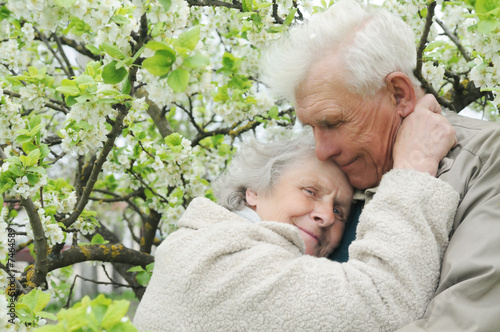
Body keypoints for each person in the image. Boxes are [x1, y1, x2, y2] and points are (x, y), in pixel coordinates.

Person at [260, 0, 500, 330]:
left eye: (332, 123)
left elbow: (464, 321)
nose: (321, 151)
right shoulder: (337, 179)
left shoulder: (487, 160)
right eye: (311, 128)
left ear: (399, 94)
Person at [134, 127, 459, 331]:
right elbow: (384, 305)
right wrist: (414, 168)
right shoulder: (213, 257)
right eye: (310, 191)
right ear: (254, 191)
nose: (327, 217)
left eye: (339, 210)